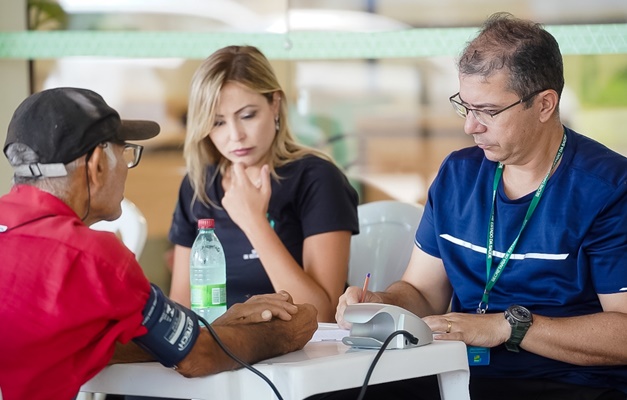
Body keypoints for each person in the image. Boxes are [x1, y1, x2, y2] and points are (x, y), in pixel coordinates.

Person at [335, 12, 627, 400]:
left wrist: (508, 327)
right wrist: (382, 304)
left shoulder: (608, 187)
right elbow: (423, 294)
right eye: (464, 106)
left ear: (544, 105)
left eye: (488, 111)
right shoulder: (458, 173)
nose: (470, 126)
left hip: (567, 382)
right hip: (453, 372)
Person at [0, 87, 318, 400]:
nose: (126, 167)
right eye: (124, 152)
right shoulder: (91, 256)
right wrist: (285, 333)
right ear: (97, 164)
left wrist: (217, 325)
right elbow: (199, 357)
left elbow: (101, 345)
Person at [168, 45, 359, 322]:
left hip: (302, 352)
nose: (236, 135)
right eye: (218, 122)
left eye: (247, 116)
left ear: (275, 105)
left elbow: (322, 315)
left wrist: (253, 221)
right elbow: (184, 308)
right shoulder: (197, 185)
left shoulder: (317, 179)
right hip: (223, 351)